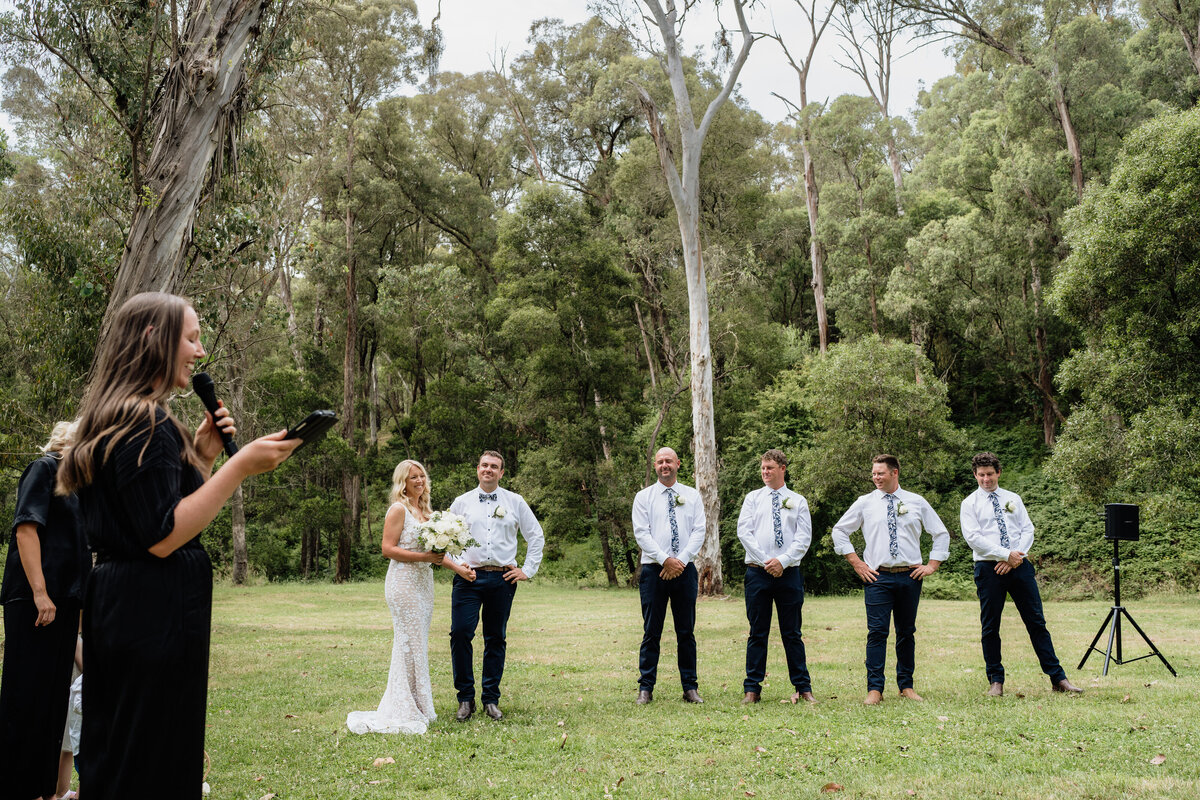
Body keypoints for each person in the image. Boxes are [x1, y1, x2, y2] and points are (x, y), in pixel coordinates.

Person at [55, 292, 300, 800]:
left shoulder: (120, 414)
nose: (200, 351)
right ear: (153, 338)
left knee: (126, 743)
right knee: (153, 750)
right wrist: (240, 465)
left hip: (127, 604)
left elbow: (161, 521)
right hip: (150, 612)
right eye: (192, 337)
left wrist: (206, 460)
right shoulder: (147, 421)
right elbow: (163, 537)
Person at [347, 460, 474, 734]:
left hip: (424, 583)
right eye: (413, 477)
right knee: (408, 641)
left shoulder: (427, 513)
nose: (419, 480)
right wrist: (425, 558)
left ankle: (419, 704)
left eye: (422, 476)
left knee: (418, 643)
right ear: (403, 482)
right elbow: (387, 549)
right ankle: (404, 707)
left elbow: (436, 555)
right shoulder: (398, 509)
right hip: (402, 582)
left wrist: (458, 568)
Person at [0, 420, 90, 800]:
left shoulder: (79, 490)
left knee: (53, 704)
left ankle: (43, 791)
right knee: (27, 699)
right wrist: (40, 592)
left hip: (66, 605)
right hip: (37, 603)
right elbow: (26, 529)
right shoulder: (44, 469)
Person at [960, 452, 1083, 697]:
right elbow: (973, 538)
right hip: (989, 568)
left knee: (1036, 622)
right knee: (990, 625)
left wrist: (1017, 556)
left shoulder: (1013, 498)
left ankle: (1058, 678)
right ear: (975, 475)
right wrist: (1005, 555)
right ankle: (996, 680)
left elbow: (1028, 529)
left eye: (990, 474)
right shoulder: (969, 504)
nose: (986, 479)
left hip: (1020, 565)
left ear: (998, 473)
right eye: (981, 475)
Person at [831, 454, 949, 705]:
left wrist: (932, 565)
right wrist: (857, 562)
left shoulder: (916, 502)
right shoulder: (865, 502)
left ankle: (906, 685)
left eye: (880, 473)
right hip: (877, 577)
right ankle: (875, 689)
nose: (875, 477)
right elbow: (840, 530)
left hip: (910, 576)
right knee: (876, 633)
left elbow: (940, 533)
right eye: (873, 473)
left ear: (895, 472)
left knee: (906, 632)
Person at [447, 451, 544, 722]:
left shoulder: (515, 501)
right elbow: (447, 538)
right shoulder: (462, 502)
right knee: (461, 634)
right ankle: (465, 698)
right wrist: (458, 565)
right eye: (484, 465)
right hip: (469, 578)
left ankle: (491, 698)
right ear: (477, 469)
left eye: (494, 467)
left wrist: (527, 570)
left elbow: (535, 535)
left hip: (502, 579)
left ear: (502, 473)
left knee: (495, 638)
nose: (488, 470)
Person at [736, 449, 815, 705]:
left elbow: (803, 538)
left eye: (769, 467)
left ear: (783, 468)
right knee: (757, 632)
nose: (765, 472)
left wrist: (782, 561)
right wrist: (766, 561)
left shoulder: (798, 500)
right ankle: (752, 688)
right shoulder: (752, 498)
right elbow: (744, 533)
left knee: (792, 632)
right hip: (758, 573)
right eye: (762, 468)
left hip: (789, 574)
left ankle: (803, 687)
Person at [631, 447, 707, 705]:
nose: (665, 465)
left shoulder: (692, 495)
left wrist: (680, 561)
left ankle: (690, 687)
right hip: (654, 570)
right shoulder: (644, 497)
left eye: (669, 461)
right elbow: (642, 533)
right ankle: (646, 688)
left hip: (685, 570)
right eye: (660, 462)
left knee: (686, 631)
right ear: (655, 466)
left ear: (678, 464)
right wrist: (665, 560)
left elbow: (699, 531)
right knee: (651, 630)